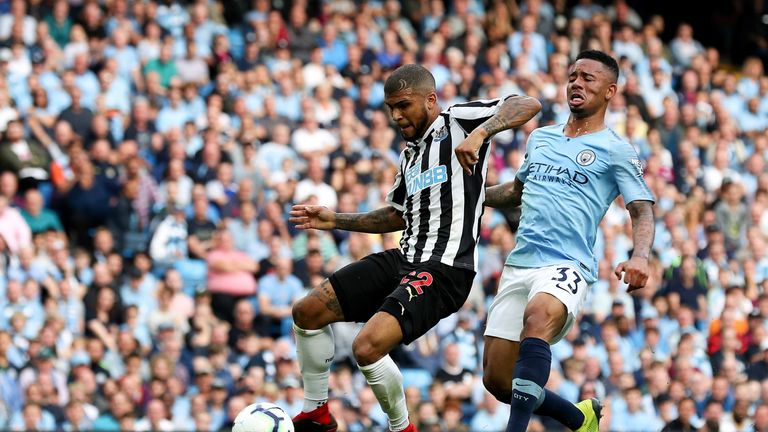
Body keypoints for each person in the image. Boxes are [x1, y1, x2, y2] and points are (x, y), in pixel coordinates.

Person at [288, 63, 541, 432]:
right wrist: (335, 219)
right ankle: (316, 412)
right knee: (307, 312)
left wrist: (482, 132)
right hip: (405, 258)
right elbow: (394, 215)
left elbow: (527, 103)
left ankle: (402, 427)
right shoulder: (409, 156)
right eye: (390, 107)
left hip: (445, 269)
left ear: (431, 99)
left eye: (403, 105)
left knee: (367, 347)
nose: (396, 115)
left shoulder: (459, 121)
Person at [457, 50, 655, 432]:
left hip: (568, 262)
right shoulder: (541, 137)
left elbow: (642, 209)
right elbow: (515, 191)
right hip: (520, 262)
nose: (576, 83)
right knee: (498, 381)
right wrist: (472, 192)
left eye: (588, 78)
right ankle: (578, 417)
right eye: (572, 76)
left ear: (610, 91)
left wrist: (641, 256)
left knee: (538, 319)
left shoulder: (616, 149)